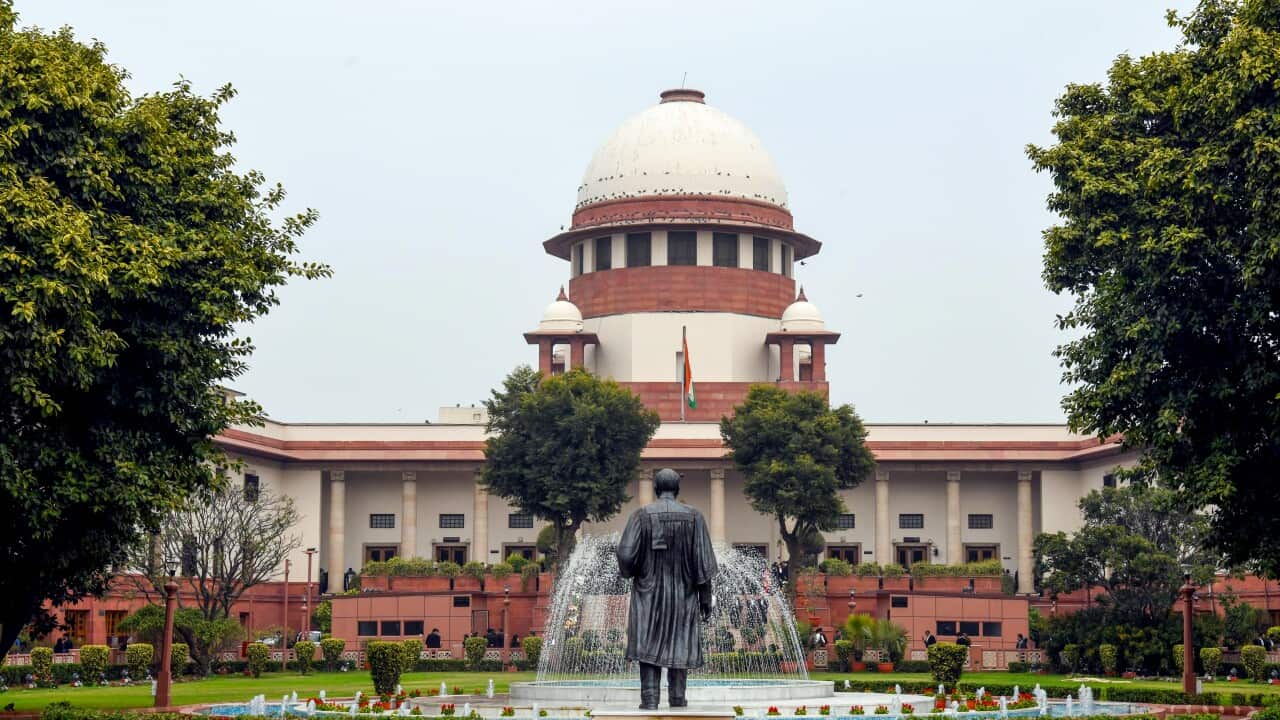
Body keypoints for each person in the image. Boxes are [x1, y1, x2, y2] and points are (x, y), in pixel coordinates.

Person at [617, 468, 717, 710]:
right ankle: (678, 699)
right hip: (684, 594)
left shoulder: (640, 516)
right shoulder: (694, 517)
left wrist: (631, 571)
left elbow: (625, 554)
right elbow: (703, 562)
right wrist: (705, 596)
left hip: (647, 593)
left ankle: (650, 700)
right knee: (679, 643)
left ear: (655, 489)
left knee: (647, 644)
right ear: (678, 489)